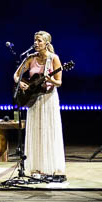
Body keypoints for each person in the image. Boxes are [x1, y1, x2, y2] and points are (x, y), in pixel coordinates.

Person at [13, 30, 66, 181]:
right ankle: (36, 167)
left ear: (46, 43)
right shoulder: (30, 58)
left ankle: (51, 167)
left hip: (48, 99)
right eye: (35, 40)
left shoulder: (53, 58)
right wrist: (20, 83)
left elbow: (59, 82)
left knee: (48, 131)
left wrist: (50, 79)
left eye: (39, 41)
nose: (36, 43)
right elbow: (16, 75)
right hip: (33, 99)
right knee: (36, 131)